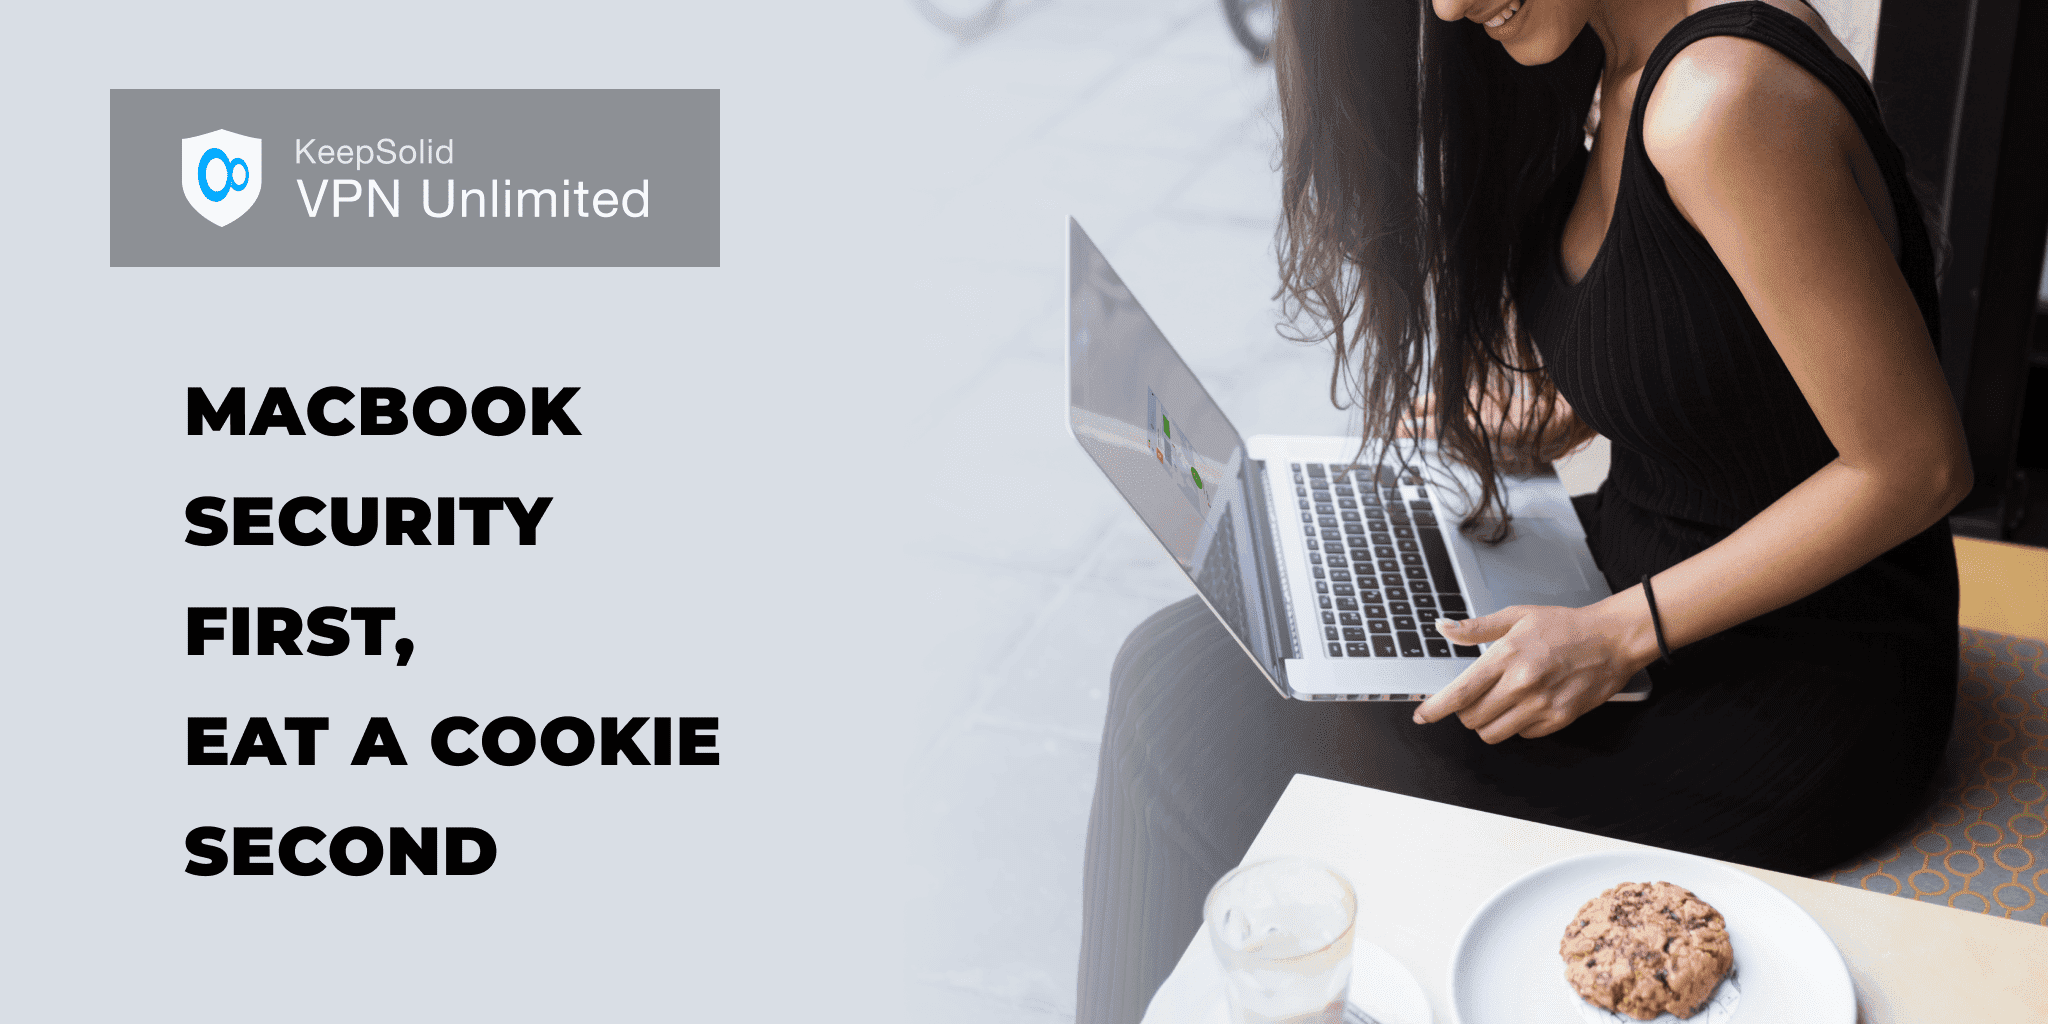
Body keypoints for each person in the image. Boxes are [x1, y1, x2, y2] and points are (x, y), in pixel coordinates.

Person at [1075, 1, 1968, 1021]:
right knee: (1191, 664)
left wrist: (1611, 633)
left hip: (1794, 687)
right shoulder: (1612, 52)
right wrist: (1569, 401)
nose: (1450, 7)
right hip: (1648, 586)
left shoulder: (1717, 102)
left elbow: (1915, 465)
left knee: (1184, 708)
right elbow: (1727, 330)